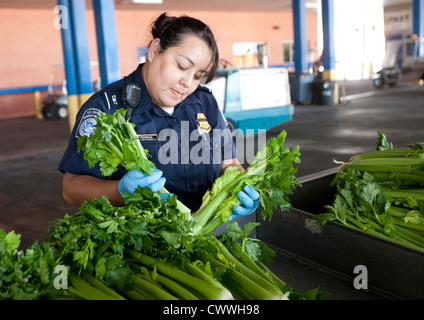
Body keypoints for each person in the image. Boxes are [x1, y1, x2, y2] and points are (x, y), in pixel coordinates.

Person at [58, 12, 259, 220]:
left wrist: (240, 187)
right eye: (182, 66)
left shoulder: (204, 102)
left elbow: (229, 162)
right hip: (142, 243)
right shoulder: (106, 109)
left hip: (208, 232)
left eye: (198, 76)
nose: (188, 83)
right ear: (155, 50)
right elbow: (71, 189)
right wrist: (120, 191)